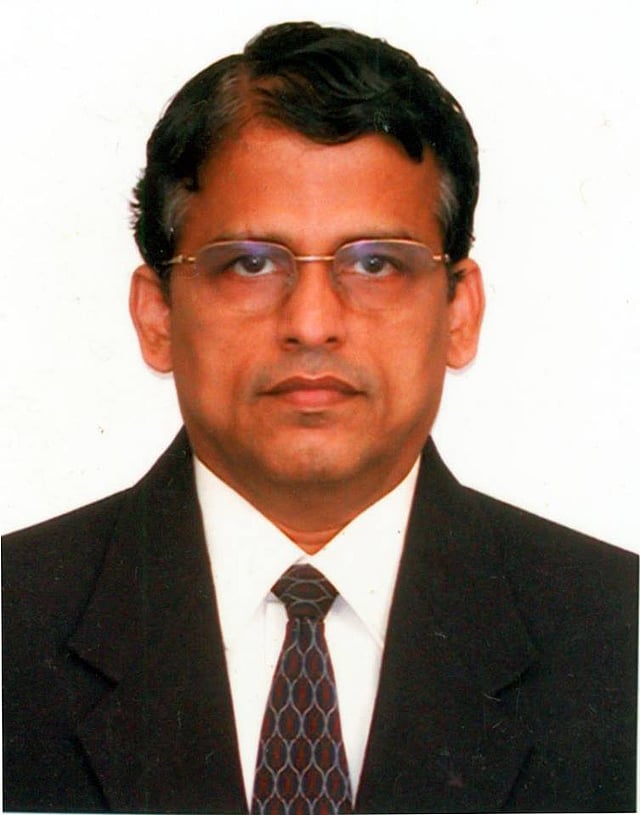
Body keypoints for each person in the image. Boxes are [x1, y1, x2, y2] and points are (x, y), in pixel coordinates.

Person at [2, 21, 636, 815]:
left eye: (375, 263)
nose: (311, 323)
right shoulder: (14, 622)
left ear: (460, 312)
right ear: (157, 314)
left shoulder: (619, 634)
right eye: (249, 263)